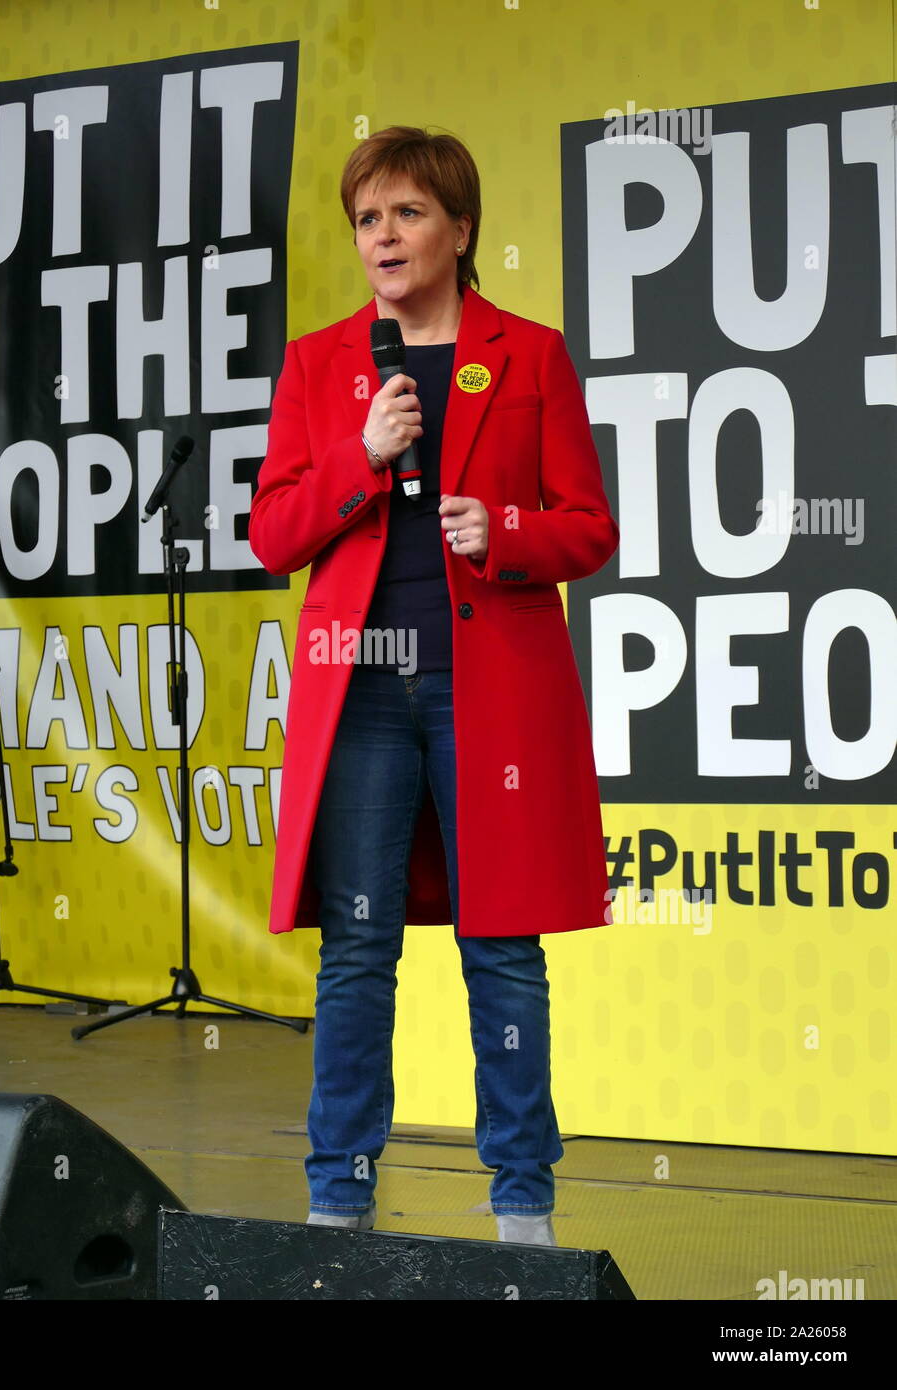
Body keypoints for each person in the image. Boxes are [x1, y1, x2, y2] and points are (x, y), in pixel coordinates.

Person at [248, 125, 619, 1246]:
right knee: (358, 947)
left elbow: (586, 527)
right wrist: (360, 460)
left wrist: (499, 528)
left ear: (458, 230)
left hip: (487, 693)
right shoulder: (321, 364)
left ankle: (520, 1205)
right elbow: (271, 533)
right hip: (358, 693)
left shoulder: (529, 354)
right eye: (367, 219)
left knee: (500, 944)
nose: (384, 237)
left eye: (406, 213)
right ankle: (338, 1195)